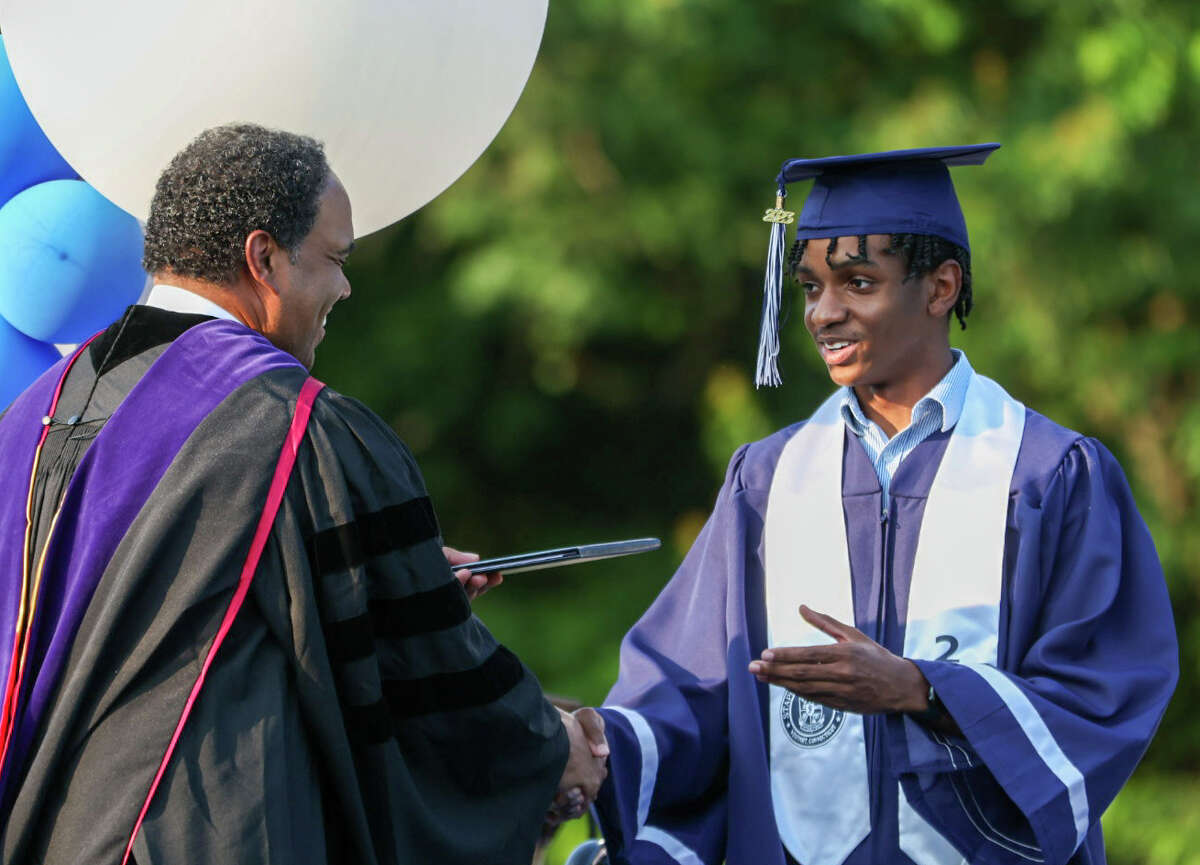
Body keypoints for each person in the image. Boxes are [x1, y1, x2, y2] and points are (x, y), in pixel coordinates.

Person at [0, 123, 606, 864]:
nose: (345, 287)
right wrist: (548, 745)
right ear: (263, 258)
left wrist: (364, 576)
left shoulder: (30, 419)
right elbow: (420, 659)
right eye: (333, 260)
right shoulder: (289, 427)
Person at [587, 145, 1178, 865]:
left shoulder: (1049, 474)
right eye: (809, 288)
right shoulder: (769, 482)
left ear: (940, 288)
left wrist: (925, 689)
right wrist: (588, 744)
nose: (823, 313)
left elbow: (1104, 695)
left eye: (857, 282)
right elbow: (691, 686)